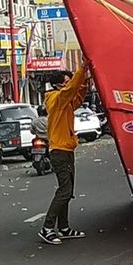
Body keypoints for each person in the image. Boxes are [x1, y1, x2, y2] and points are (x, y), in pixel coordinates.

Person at [38, 65, 88, 245]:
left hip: (67, 150)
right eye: (66, 83)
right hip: (59, 151)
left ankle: (64, 227)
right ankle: (47, 227)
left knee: (67, 191)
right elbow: (70, 91)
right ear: (58, 86)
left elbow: (77, 97)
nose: (69, 85)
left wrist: (84, 81)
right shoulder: (55, 99)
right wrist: (82, 70)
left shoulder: (65, 103)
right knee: (64, 191)